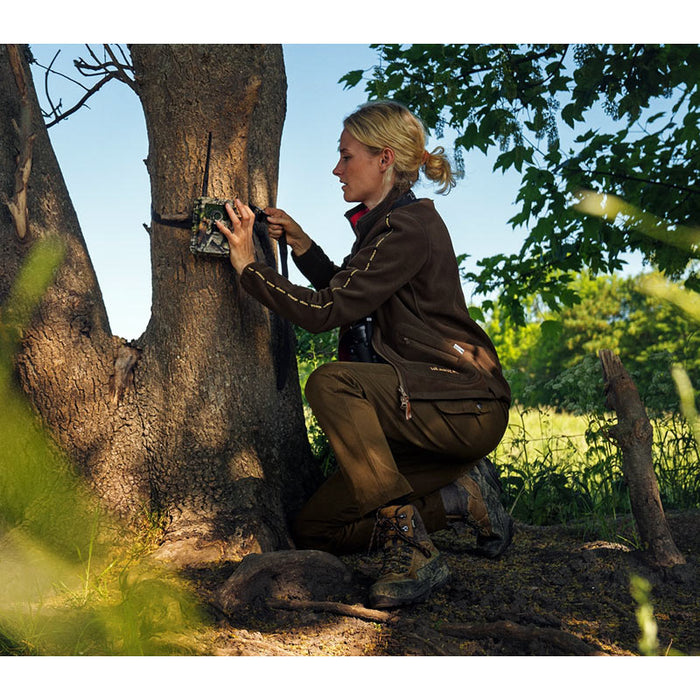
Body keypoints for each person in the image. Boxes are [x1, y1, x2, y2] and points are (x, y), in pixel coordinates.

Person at [215, 100, 513, 609]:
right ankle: (463, 500)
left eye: (345, 155)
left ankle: (413, 551)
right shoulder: (386, 229)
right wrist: (305, 247)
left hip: (461, 406)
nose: (336, 168)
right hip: (420, 411)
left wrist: (249, 270)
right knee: (318, 528)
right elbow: (351, 294)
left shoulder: (407, 228)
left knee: (332, 381)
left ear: (384, 159)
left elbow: (326, 310)